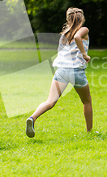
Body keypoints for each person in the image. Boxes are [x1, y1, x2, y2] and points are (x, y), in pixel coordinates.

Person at [26, 7, 92, 138]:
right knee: (86, 102)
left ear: (68, 19)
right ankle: (89, 132)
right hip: (76, 71)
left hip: (61, 70)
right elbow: (78, 37)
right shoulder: (83, 30)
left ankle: (32, 118)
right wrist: (84, 55)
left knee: (50, 101)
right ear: (82, 19)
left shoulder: (64, 34)